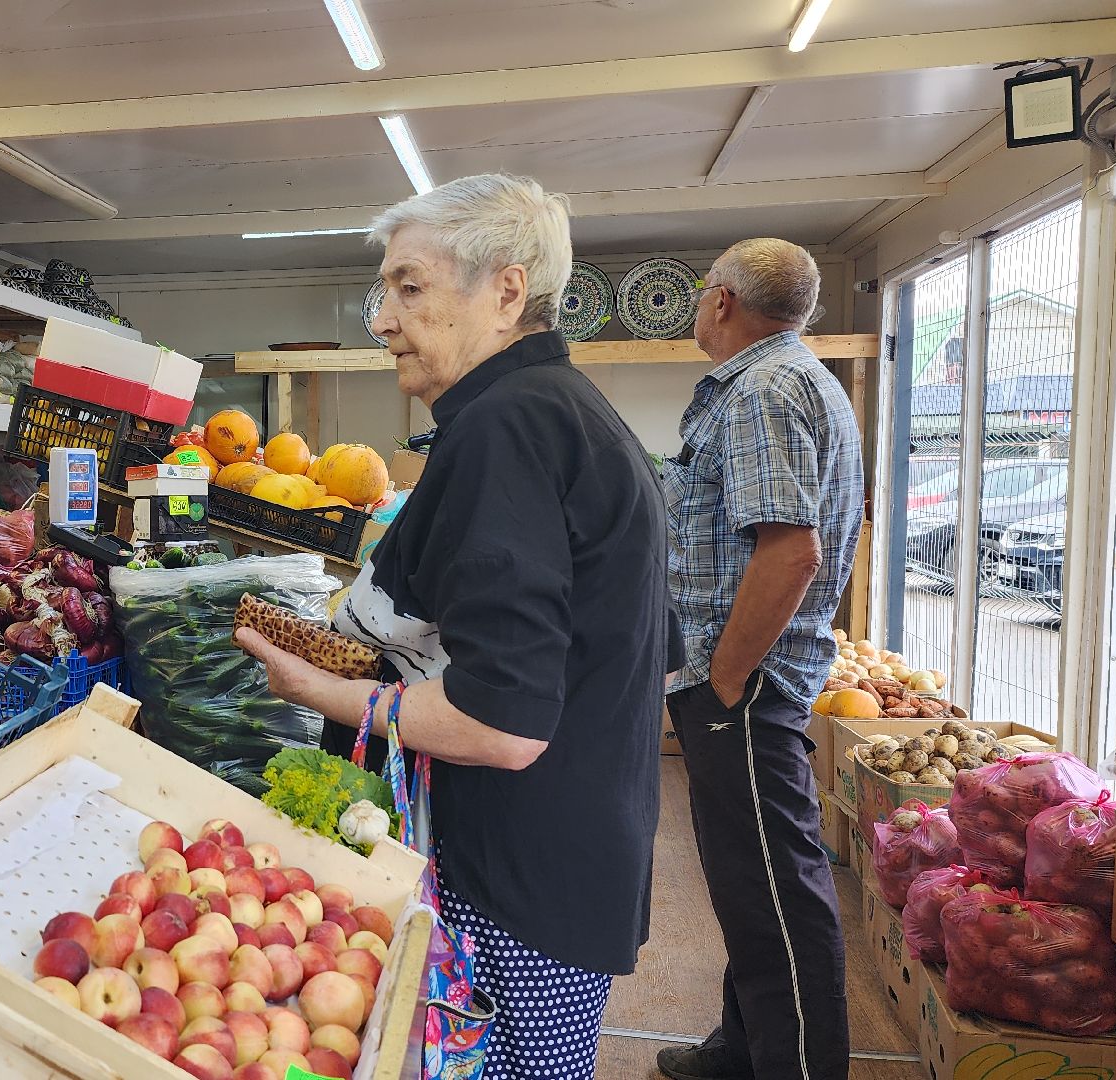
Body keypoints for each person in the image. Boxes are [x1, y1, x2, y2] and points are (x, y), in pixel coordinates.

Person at [233, 173, 677, 1079]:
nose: (385, 320)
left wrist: (321, 689)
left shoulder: (504, 429)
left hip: (517, 875)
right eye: (385, 292)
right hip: (572, 850)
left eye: (410, 287)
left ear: (506, 292)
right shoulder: (567, 411)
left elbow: (504, 722)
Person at [658, 238, 863, 1080]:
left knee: (779, 895)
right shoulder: (795, 381)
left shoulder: (762, 394)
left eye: (703, 292)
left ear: (723, 302)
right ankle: (741, 1049)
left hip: (747, 687)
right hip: (753, 680)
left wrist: (725, 680)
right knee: (752, 886)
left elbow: (790, 553)